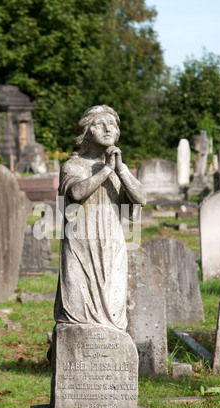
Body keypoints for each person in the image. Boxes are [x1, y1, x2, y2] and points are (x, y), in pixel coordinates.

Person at [54, 105, 146, 331]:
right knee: (78, 311)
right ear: (86, 132)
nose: (108, 129)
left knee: (113, 312)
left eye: (113, 125)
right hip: (80, 246)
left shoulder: (119, 170)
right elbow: (75, 193)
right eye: (99, 124)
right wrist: (106, 170)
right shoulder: (73, 165)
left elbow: (140, 198)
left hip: (112, 246)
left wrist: (121, 170)